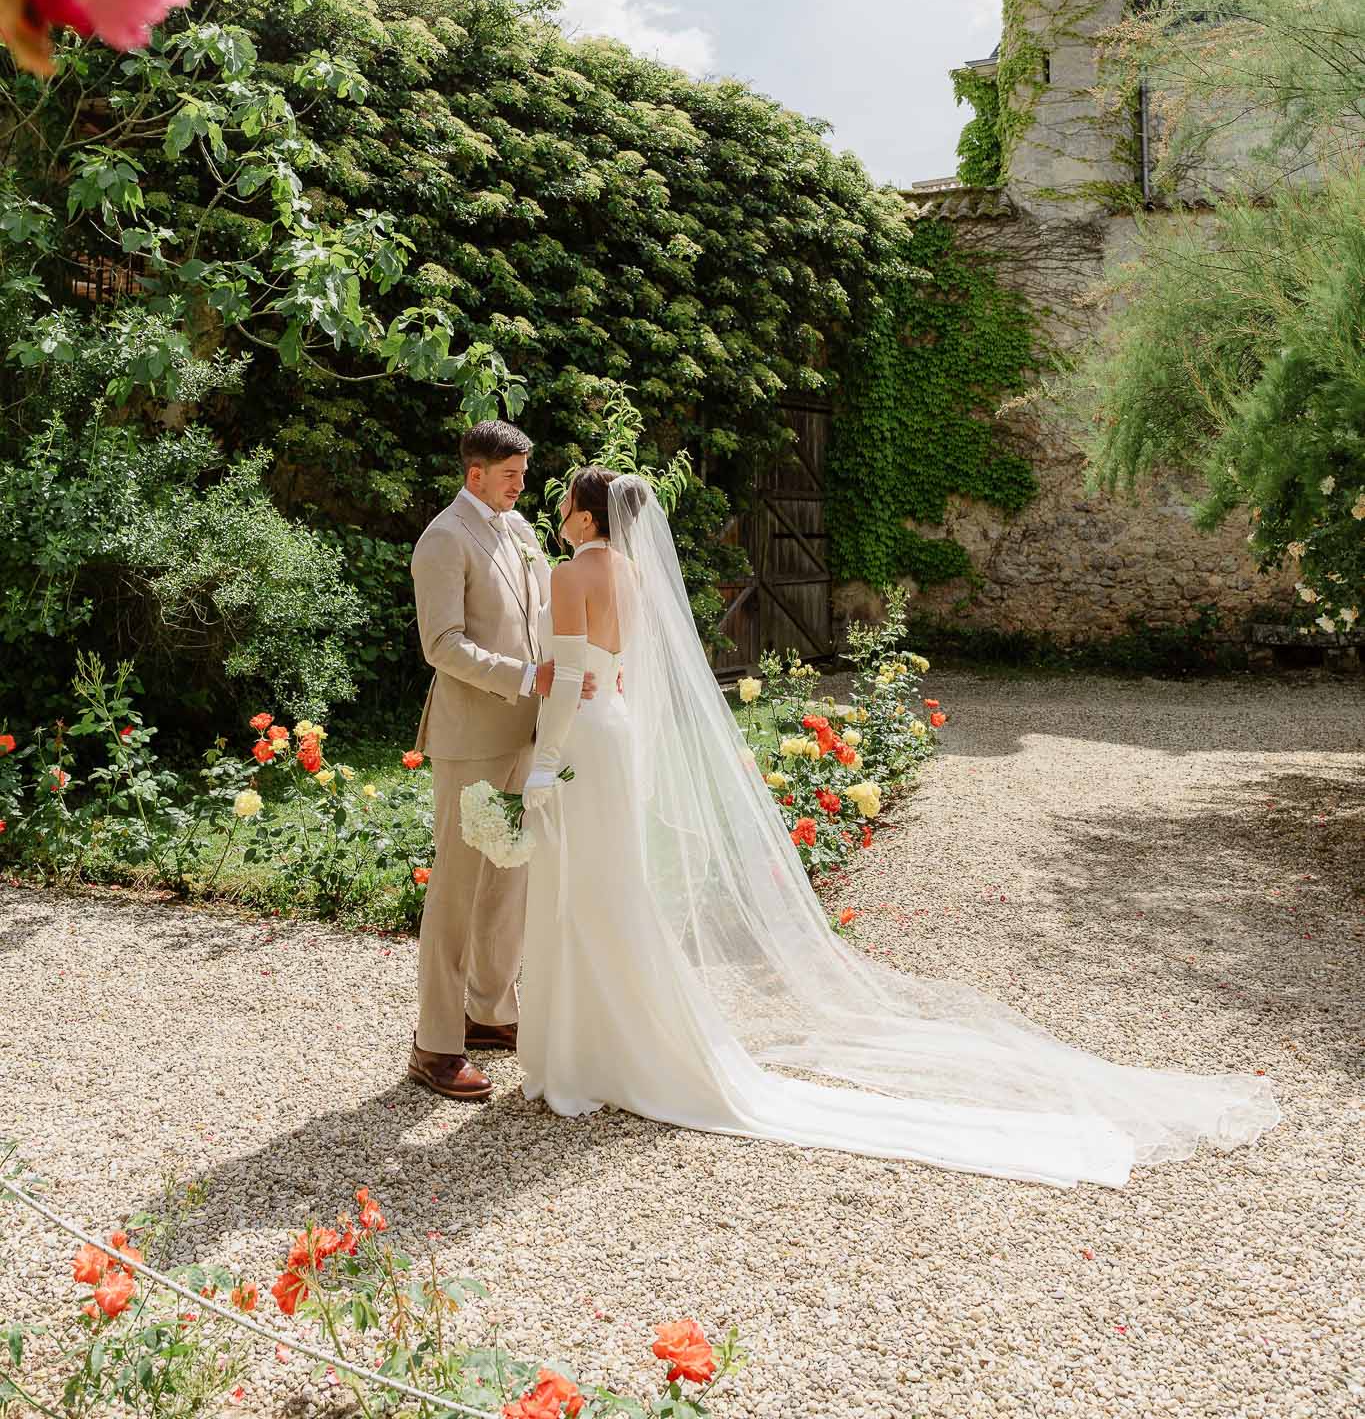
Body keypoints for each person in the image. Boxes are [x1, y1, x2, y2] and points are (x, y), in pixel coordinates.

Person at [512, 465, 1280, 1187]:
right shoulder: (635, 573)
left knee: (581, 887)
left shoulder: (571, 571)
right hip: (611, 731)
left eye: (563, 507)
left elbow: (570, 677)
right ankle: (617, 1041)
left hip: (579, 735)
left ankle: (586, 1053)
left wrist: (542, 764)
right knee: (610, 885)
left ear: (584, 513)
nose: (557, 516)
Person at [406, 420, 595, 1101]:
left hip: (528, 732)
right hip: (470, 735)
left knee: (509, 879)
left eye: (523, 472)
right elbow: (442, 645)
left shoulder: (517, 533)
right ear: (475, 473)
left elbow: (545, 615)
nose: (522, 484)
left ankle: (487, 1012)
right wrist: (526, 678)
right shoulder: (442, 539)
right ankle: (434, 1045)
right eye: (511, 474)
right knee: (458, 888)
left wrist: (577, 671)